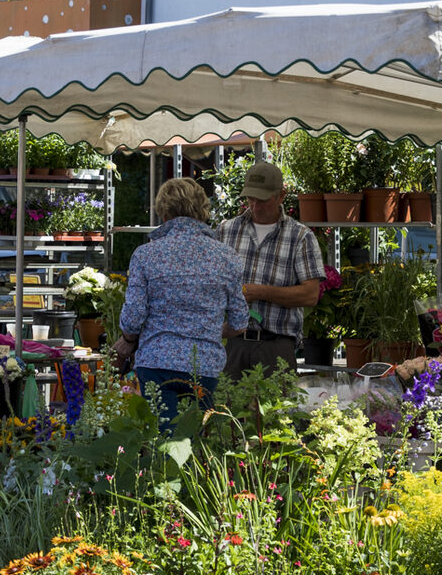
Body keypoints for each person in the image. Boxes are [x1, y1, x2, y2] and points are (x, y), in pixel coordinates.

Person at [112, 177, 247, 428]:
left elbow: (132, 319)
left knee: (159, 441)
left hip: (156, 362)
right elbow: (239, 323)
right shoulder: (228, 257)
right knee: (198, 444)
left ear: (163, 212)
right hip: (205, 365)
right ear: (202, 210)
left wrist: (129, 341)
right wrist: (206, 329)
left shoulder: (146, 255)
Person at [218, 159, 324, 376]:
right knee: (224, 409)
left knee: (276, 410)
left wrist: (260, 292)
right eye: (250, 198)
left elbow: (311, 295)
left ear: (281, 195)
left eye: (263, 200)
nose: (255, 206)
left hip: (276, 347)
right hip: (232, 345)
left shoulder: (300, 236)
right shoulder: (226, 231)